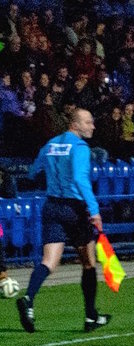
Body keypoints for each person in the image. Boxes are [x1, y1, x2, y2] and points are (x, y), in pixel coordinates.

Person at [17, 108, 111, 333]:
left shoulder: (50, 145)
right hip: (74, 208)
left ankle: (28, 299)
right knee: (88, 263)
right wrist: (94, 209)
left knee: (49, 262)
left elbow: (33, 171)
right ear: (75, 125)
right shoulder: (80, 148)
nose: (93, 126)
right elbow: (80, 178)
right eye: (88, 122)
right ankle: (91, 317)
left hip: (51, 206)